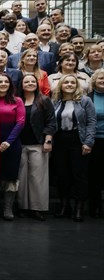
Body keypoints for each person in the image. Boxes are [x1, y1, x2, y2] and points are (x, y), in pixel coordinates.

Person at [51, 74, 96, 222]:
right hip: (60, 140)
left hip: (78, 140)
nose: (69, 85)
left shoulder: (85, 101)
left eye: (72, 83)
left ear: (77, 85)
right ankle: (65, 206)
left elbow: (91, 122)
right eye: (66, 83)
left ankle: (78, 209)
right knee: (62, 175)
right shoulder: (55, 101)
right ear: (61, 86)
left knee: (79, 175)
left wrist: (88, 142)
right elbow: (51, 122)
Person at [17, 73, 56, 221]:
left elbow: (51, 122)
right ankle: (23, 207)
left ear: (37, 84)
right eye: (26, 81)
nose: (29, 84)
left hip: (38, 144)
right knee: (22, 177)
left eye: (32, 81)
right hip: (20, 144)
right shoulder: (17, 100)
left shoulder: (44, 100)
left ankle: (37, 208)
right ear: (21, 84)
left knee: (37, 178)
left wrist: (48, 140)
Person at [0, 73, 26, 221]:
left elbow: (20, 122)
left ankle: (7, 207)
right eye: (0, 82)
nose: (3, 84)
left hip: (12, 143)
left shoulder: (17, 101)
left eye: (6, 82)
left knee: (10, 176)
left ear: (10, 84)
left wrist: (8, 141)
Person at [88, 69, 104, 217]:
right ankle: (95, 206)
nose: (103, 81)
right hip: (95, 140)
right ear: (94, 80)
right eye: (100, 78)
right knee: (95, 175)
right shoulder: (88, 98)